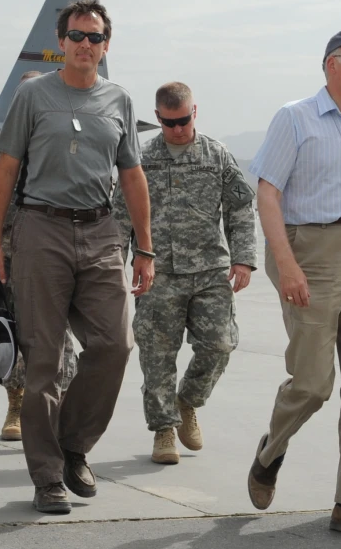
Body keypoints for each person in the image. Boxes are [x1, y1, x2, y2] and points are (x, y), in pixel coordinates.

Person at [0, 0, 155, 515]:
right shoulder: (34, 96)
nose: (85, 45)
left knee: (116, 345)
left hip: (101, 232)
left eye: (95, 37)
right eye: (76, 36)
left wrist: (144, 246)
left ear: (106, 45)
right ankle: (47, 476)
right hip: (42, 230)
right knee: (43, 361)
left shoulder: (119, 100)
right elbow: (6, 169)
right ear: (61, 44)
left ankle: (73, 444)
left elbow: (131, 175)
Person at [247, 29, 341, 539]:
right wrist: (286, 265)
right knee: (312, 384)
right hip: (312, 250)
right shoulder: (295, 117)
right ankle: (270, 451)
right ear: (333, 64)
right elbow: (267, 194)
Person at [113, 82, 257, 465]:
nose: (178, 129)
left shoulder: (217, 155)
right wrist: (115, 268)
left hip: (210, 270)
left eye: (183, 120)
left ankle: (188, 400)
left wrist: (243, 259)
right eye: (169, 122)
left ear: (195, 112)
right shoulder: (141, 160)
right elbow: (120, 218)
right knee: (157, 354)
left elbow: (240, 210)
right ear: (158, 118)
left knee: (220, 344)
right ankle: (163, 430)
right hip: (158, 272)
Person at [0, 71, 78, 442]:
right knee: (12, 334)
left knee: (61, 338)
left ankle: (62, 410)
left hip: (57, 255)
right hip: (7, 259)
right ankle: (17, 404)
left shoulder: (63, 143)